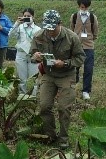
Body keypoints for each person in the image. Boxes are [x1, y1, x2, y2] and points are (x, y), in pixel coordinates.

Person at [30, 10, 85, 149]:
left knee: (64, 107)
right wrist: (35, 56)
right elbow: (32, 54)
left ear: (59, 24)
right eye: (47, 28)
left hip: (66, 74)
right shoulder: (39, 35)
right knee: (44, 106)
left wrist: (65, 63)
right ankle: (50, 134)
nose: (49, 31)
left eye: (52, 28)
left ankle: (63, 138)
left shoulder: (71, 37)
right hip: (48, 74)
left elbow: (80, 58)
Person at [70, 0, 99, 100]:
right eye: (82, 7)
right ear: (79, 6)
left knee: (88, 69)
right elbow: (71, 30)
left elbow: (95, 32)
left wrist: (89, 40)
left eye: (86, 7)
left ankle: (86, 91)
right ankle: (73, 86)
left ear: (88, 7)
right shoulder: (74, 16)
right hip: (76, 46)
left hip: (89, 46)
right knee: (74, 68)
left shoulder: (92, 17)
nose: (84, 9)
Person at [8, 8, 41, 95]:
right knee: (22, 78)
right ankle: (22, 96)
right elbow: (10, 34)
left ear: (33, 17)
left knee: (32, 78)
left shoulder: (38, 29)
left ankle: (32, 96)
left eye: (28, 16)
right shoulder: (20, 27)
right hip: (21, 54)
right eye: (25, 16)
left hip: (33, 56)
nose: (26, 17)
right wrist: (16, 23)